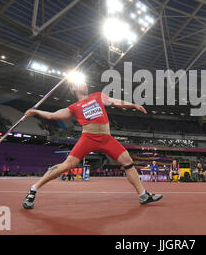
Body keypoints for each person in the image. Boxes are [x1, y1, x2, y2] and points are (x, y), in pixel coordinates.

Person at [22, 82, 163, 209]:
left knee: (128, 161)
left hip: (106, 139)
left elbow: (114, 101)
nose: (85, 84)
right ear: (74, 88)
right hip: (88, 138)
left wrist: (133, 105)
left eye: (85, 83)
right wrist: (35, 112)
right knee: (67, 165)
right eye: (81, 83)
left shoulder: (98, 96)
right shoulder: (74, 107)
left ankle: (143, 195)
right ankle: (33, 189)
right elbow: (52, 116)